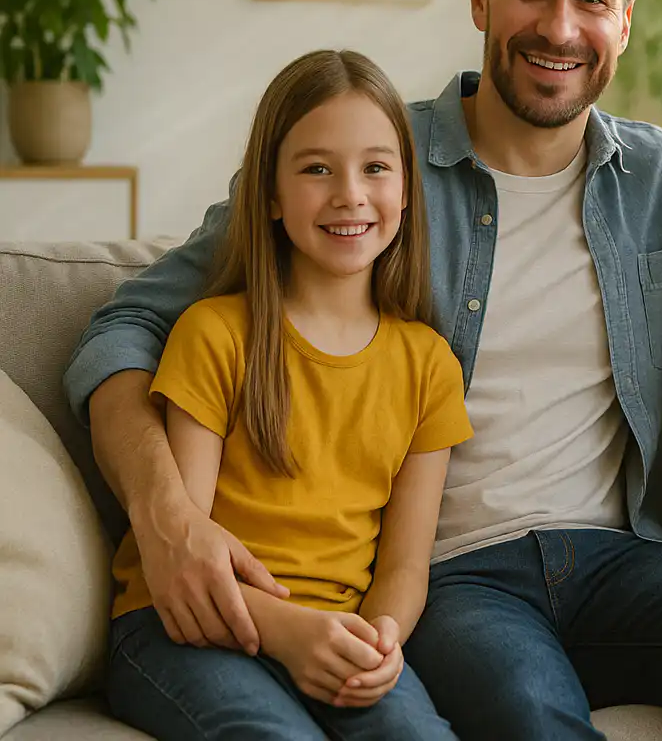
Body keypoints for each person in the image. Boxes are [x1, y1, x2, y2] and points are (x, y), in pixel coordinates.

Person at [67, 0, 662, 741]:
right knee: (523, 709)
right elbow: (124, 328)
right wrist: (168, 519)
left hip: (620, 558)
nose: (558, 26)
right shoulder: (368, 166)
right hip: (456, 577)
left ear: (623, 21)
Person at [105, 49, 470, 739]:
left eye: (375, 168)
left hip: (337, 633)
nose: (349, 194)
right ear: (270, 193)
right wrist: (291, 632)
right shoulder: (214, 335)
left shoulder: (429, 366)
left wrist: (382, 640)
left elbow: (404, 565)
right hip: (182, 623)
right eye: (316, 169)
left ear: (406, 192)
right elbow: (186, 546)